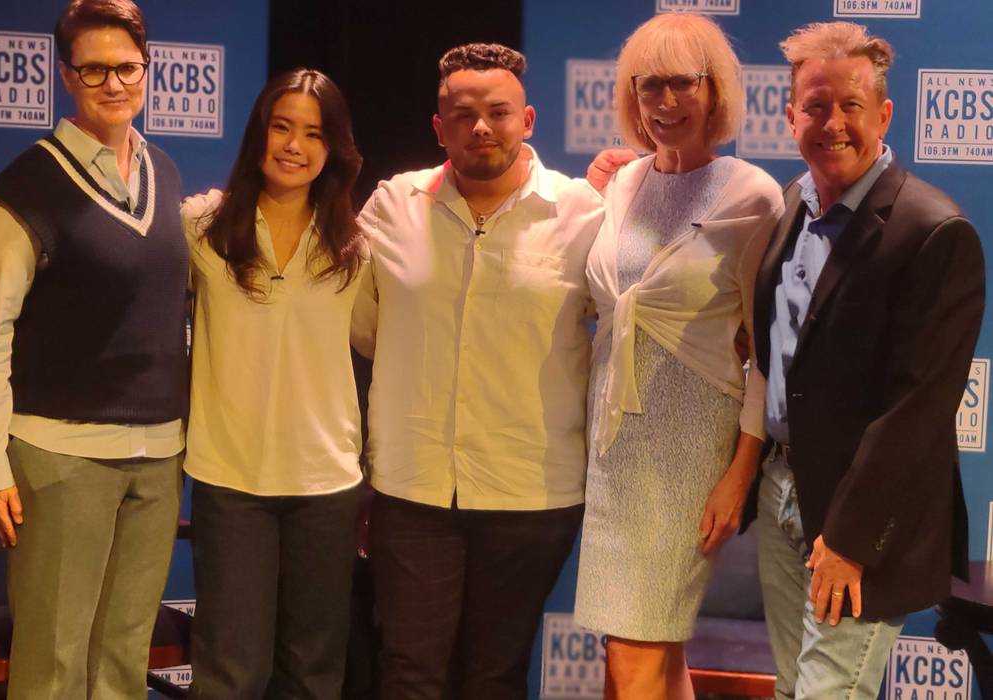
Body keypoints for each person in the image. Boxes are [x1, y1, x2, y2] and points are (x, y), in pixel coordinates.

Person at [351, 43, 605, 700]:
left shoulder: (582, 214)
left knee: (492, 678)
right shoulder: (392, 205)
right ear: (440, 128)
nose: (481, 127)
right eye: (463, 115)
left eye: (497, 112)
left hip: (531, 492)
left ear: (528, 119)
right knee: (409, 671)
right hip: (413, 488)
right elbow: (361, 329)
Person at [749, 21, 983, 699]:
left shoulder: (932, 231)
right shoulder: (790, 202)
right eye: (815, 106)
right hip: (781, 492)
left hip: (861, 521)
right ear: (788, 114)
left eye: (850, 106)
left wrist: (847, 539)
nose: (832, 123)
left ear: (882, 113)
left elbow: (919, 408)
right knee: (795, 690)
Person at [0, 0, 189, 696]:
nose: (113, 82)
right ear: (67, 77)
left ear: (147, 71)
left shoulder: (165, 169)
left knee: (123, 656)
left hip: (158, 457)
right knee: (55, 660)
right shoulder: (24, 189)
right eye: (93, 69)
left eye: (126, 67)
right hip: (59, 458)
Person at [570, 13, 784, 699]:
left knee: (636, 653)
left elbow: (765, 353)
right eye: (647, 85)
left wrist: (738, 472)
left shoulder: (750, 193)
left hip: (688, 447)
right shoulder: (621, 184)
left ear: (713, 90)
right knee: (642, 655)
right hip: (613, 445)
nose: (663, 103)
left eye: (680, 84)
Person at [181, 67, 365, 699]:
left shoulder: (356, 245)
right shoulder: (202, 227)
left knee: (313, 674)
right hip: (231, 479)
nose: (294, 145)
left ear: (333, 148)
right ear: (258, 132)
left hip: (327, 482)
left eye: (313, 134)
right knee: (230, 672)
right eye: (281, 127)